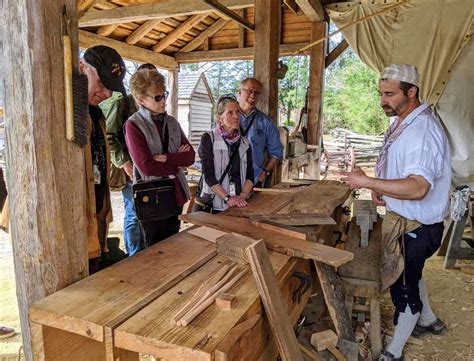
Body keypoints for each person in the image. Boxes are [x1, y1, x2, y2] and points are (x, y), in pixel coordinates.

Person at [340, 64, 451, 361]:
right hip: (405, 219)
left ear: (411, 92)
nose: (382, 100)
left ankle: (394, 351)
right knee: (410, 274)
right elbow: (402, 172)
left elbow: (418, 188)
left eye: (390, 94)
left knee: (403, 289)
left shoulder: (422, 132)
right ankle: (428, 321)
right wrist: (383, 188)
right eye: (380, 93)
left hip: (417, 225)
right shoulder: (403, 122)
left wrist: (366, 182)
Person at [125, 69, 194, 246]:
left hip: (175, 194)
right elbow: (146, 167)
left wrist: (166, 158)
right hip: (151, 196)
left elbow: (190, 157)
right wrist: (176, 163)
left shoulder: (171, 122)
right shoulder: (133, 125)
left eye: (164, 95)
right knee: (153, 251)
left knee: (173, 244)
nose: (163, 101)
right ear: (141, 99)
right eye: (157, 97)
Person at [100, 63, 157, 256]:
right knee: (134, 214)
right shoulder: (122, 105)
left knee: (150, 214)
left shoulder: (156, 107)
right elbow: (109, 136)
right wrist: (125, 163)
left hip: (151, 169)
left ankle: (147, 254)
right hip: (131, 169)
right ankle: (134, 256)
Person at [80, 45, 127, 273]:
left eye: (111, 89)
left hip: (94, 217)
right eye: (102, 85)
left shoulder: (97, 115)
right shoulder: (64, 113)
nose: (107, 94)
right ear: (82, 69)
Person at [195, 95, 254, 213]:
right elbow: (209, 176)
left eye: (238, 112)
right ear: (220, 118)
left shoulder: (244, 143)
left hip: (238, 204)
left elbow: (250, 175)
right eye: (230, 113)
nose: (236, 116)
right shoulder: (209, 139)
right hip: (215, 204)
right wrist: (227, 198)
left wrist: (242, 196)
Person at [238, 78, 283, 187]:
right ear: (239, 93)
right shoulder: (228, 118)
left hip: (254, 179)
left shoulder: (266, 122)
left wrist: (264, 173)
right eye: (249, 91)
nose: (253, 96)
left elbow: (277, 153)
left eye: (256, 93)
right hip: (228, 179)